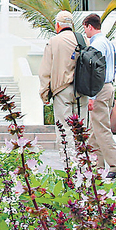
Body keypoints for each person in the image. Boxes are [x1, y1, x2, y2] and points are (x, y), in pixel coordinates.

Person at [81, 14, 116, 179]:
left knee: (102, 130)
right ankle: (96, 167)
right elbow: (115, 67)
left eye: (85, 28)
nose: (85, 32)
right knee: (95, 130)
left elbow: (95, 70)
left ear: (89, 26)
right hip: (108, 87)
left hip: (99, 89)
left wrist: (92, 95)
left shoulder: (97, 44)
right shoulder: (109, 43)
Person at [39, 10, 81, 150]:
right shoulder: (82, 39)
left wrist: (45, 94)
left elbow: (46, 70)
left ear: (57, 25)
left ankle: (70, 165)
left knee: (65, 131)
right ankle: (84, 165)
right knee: (82, 131)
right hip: (82, 90)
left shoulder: (53, 41)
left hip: (62, 90)